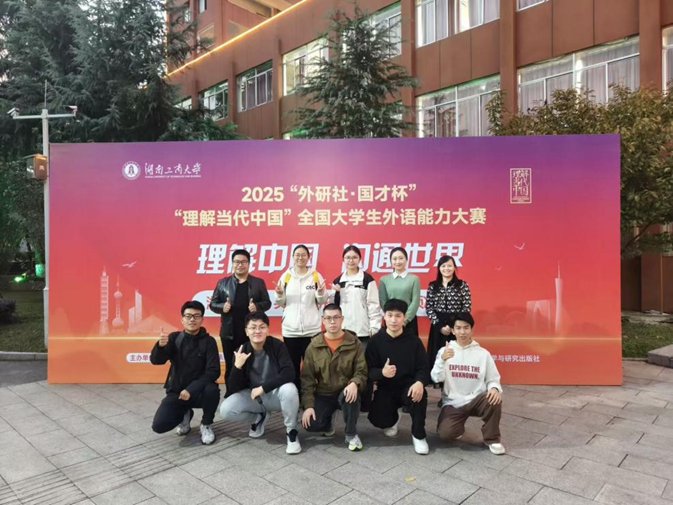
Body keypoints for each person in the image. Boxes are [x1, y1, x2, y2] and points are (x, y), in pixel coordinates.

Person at [219, 312, 302, 454]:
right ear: (246, 331)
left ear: (268, 329)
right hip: (255, 398)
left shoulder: (277, 346)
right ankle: (259, 417)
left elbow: (289, 373)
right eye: (253, 327)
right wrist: (237, 367)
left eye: (262, 327)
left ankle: (291, 432)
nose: (257, 331)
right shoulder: (241, 351)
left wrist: (263, 388)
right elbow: (233, 388)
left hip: (275, 395)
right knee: (226, 410)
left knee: (290, 389)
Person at [431, 312, 505, 455]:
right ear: (453, 331)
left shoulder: (483, 353)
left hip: (477, 399)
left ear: (472, 329)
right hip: (453, 402)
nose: (462, 332)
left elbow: (493, 378)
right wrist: (442, 360)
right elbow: (436, 378)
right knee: (446, 434)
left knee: (494, 399)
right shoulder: (445, 351)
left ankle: (492, 439)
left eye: (466, 328)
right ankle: (457, 427)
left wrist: (494, 388)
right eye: (458, 328)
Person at [150, 301, 220, 445]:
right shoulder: (174, 338)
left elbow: (213, 371)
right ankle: (185, 414)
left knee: (212, 390)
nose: (192, 319)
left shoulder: (209, 342)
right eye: (188, 316)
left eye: (196, 316)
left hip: (200, 391)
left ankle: (206, 424)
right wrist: (160, 347)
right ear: (182, 320)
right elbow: (156, 361)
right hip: (178, 392)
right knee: (159, 425)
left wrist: (191, 389)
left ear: (202, 319)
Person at [366, 299, 430, 455]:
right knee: (378, 420)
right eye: (390, 315)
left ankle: (419, 436)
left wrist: (419, 382)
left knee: (419, 395)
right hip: (386, 388)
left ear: (404, 318)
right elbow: (368, 371)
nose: (393, 320)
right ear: (384, 317)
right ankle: (393, 418)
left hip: (408, 386)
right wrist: (382, 373)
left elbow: (423, 367)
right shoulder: (375, 341)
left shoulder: (414, 341)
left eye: (398, 316)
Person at [301, 304, 368, 451]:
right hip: (323, 393)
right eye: (328, 318)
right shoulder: (314, 346)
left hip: (345, 391)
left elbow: (361, 371)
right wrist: (309, 406)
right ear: (323, 320)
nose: (332, 322)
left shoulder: (354, 343)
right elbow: (307, 379)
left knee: (351, 396)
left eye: (336, 318)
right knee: (310, 424)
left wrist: (354, 383)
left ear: (342, 319)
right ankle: (327, 423)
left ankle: (351, 434)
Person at [210, 249, 272, 389]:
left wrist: (257, 307)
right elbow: (213, 304)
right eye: (237, 262)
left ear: (249, 264)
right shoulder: (223, 283)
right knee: (231, 364)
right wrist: (222, 307)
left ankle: (251, 392)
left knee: (252, 364)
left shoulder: (258, 283)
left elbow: (267, 303)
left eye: (243, 262)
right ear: (232, 264)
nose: (240, 265)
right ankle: (230, 392)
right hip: (229, 333)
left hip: (251, 333)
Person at [275, 244, 329, 391]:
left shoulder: (316, 276)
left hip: (312, 330)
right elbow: (281, 303)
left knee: (312, 366)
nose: (300, 257)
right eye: (297, 255)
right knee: (292, 366)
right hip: (291, 330)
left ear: (308, 257)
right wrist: (279, 294)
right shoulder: (286, 277)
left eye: (303, 255)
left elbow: (322, 301)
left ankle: (310, 395)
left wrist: (320, 292)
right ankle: (295, 395)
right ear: (293, 257)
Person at [426, 255, 472, 374]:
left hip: (457, 326)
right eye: (443, 266)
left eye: (449, 266)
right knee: (437, 354)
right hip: (438, 326)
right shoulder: (433, 286)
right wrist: (440, 326)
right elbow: (429, 308)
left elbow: (466, 307)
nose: (446, 268)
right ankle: (436, 378)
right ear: (439, 268)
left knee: (456, 354)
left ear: (454, 267)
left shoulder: (462, 285)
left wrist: (453, 326)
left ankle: (456, 378)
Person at [332, 245, 382, 345]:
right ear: (343, 260)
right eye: (348, 257)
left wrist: (375, 327)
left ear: (360, 259)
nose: (351, 260)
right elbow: (333, 307)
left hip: (363, 330)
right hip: (343, 330)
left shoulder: (367, 279)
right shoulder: (338, 281)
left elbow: (373, 305)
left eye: (354, 257)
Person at [378, 247, 421, 336]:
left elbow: (415, 301)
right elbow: (383, 301)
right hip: (391, 322)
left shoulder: (414, 279)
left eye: (401, 258)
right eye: (394, 259)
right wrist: (391, 318)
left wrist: (405, 320)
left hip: (409, 321)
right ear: (391, 261)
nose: (398, 261)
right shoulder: (384, 280)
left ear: (406, 260)